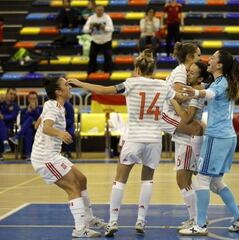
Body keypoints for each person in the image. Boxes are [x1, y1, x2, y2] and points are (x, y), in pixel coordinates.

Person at [67, 49, 188, 237]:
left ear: (137, 69)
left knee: (120, 181)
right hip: (154, 139)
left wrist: (80, 83)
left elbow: (103, 90)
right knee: (147, 180)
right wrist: (198, 89)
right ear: (153, 70)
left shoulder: (130, 83)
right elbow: (181, 97)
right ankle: (141, 220)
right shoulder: (163, 86)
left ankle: (113, 222)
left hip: (133, 138)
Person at [179, 50, 239, 236]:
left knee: (201, 180)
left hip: (218, 137)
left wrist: (195, 92)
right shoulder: (221, 81)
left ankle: (200, 225)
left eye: (213, 58)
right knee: (216, 182)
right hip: (226, 137)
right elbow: (209, 89)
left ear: (220, 65)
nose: (209, 59)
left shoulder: (221, 82)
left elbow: (209, 94)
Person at [31, 77, 105, 238]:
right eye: (66, 85)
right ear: (58, 92)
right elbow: (45, 128)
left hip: (53, 155)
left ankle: (89, 219)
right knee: (73, 187)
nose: (69, 87)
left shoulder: (53, 105)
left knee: (82, 179)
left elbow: (38, 125)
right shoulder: (53, 108)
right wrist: (59, 133)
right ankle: (80, 229)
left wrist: (43, 123)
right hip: (45, 158)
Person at [169, 61, 209, 230]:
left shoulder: (197, 93)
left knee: (183, 179)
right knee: (188, 180)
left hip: (188, 138)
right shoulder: (190, 88)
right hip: (183, 138)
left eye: (192, 73)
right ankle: (196, 217)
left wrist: (173, 102)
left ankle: (197, 218)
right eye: (188, 72)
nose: (188, 75)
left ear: (200, 77)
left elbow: (187, 118)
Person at [9, 91, 42, 161]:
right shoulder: (24, 110)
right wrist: (28, 112)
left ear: (37, 100)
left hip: (39, 128)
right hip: (27, 129)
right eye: (31, 98)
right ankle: (28, 155)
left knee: (30, 119)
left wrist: (34, 110)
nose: (33, 100)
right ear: (28, 100)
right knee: (28, 130)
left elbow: (41, 119)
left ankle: (17, 137)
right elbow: (22, 122)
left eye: (34, 99)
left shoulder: (41, 109)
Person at [83, 5, 114, 74]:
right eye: (98, 10)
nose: (99, 11)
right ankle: (91, 70)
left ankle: (108, 71)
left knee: (108, 56)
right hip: (95, 41)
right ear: (95, 10)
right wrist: (90, 28)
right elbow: (85, 30)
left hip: (106, 41)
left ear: (103, 10)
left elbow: (112, 29)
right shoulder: (91, 18)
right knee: (92, 56)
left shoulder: (107, 17)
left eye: (101, 10)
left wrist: (104, 28)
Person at [0, 88, 19, 159]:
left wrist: (3, 117)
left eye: (14, 94)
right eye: (10, 93)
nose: (12, 96)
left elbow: (13, 116)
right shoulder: (1, 103)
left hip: (10, 127)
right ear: (6, 94)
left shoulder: (15, 106)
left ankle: (1, 151)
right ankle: (5, 143)